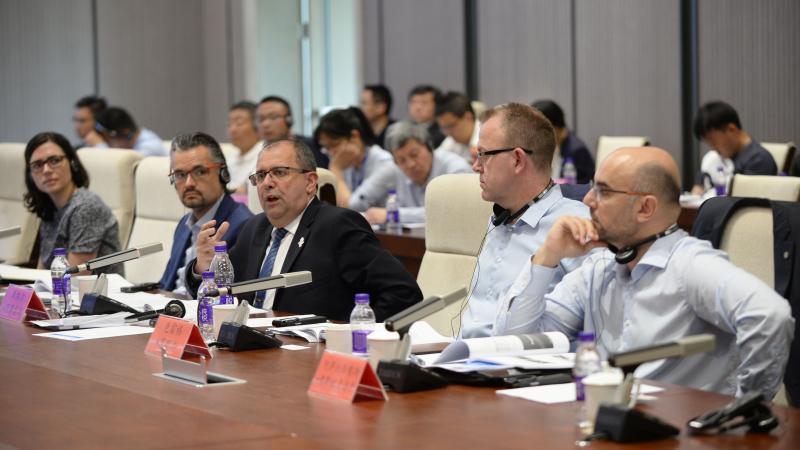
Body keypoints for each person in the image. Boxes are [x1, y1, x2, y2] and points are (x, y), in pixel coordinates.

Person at [496, 146, 793, 398]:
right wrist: (547, 257)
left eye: (603, 191)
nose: (587, 201)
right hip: (607, 424)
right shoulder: (600, 267)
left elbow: (770, 317)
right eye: (591, 188)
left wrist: (745, 408)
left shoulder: (691, 266)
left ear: (645, 208)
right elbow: (520, 343)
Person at [184, 139, 422, 321]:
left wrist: (349, 333)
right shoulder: (254, 228)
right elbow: (215, 294)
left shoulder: (338, 226)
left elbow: (404, 294)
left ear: (310, 182)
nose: (267, 183)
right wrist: (202, 269)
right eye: (260, 176)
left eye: (279, 172)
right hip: (250, 351)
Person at [459, 103, 589, 338]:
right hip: (459, 359)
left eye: (483, 155)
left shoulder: (575, 227)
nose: (476, 166)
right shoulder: (501, 217)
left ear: (518, 160)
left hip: (515, 367)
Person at [159, 132, 253, 293]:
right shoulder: (184, 224)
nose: (189, 183)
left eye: (200, 172)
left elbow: (226, 297)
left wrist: (199, 273)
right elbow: (165, 285)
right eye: (180, 175)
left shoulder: (243, 225)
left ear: (223, 173)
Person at [23, 132, 121, 273]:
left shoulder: (86, 207)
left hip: (95, 293)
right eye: (37, 165)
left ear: (72, 162)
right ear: (30, 175)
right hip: (59, 291)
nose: (46, 170)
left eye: (55, 160)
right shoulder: (49, 207)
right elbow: (42, 271)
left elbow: (76, 277)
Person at [350, 121, 472, 225]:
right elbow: (355, 203)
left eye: (414, 154)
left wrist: (393, 215)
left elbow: (450, 213)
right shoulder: (393, 169)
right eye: (402, 160)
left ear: (429, 147)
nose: (410, 164)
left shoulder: (456, 169)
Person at [691, 101, 777, 195]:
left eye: (713, 142)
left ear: (731, 129)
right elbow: (698, 188)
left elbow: (744, 201)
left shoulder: (759, 160)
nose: (713, 149)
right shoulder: (716, 159)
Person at [315, 107, 393, 209]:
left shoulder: (384, 163)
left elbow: (351, 208)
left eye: (334, 145)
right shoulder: (346, 163)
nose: (331, 153)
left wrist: (336, 170)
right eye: (326, 148)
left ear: (354, 136)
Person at [532, 99, 594, 184]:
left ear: (554, 126)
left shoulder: (577, 150)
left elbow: (585, 185)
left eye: (538, 128)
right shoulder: (539, 146)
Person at [256, 95, 328, 168]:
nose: (265, 124)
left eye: (274, 117)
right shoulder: (258, 151)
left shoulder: (311, 147)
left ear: (289, 120)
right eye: (261, 119)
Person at [95, 106, 166, 156]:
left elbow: (119, 167)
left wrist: (101, 146)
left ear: (124, 133)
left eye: (107, 140)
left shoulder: (149, 147)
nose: (108, 145)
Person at [226, 101, 263, 193]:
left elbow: (248, 191)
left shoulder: (265, 155)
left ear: (257, 126)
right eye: (229, 124)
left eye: (239, 123)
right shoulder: (231, 155)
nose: (232, 129)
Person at [435, 92, 480, 163]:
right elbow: (436, 160)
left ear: (468, 117)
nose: (447, 133)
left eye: (451, 126)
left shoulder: (487, 137)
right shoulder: (451, 141)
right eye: (443, 128)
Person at [360, 84, 396, 149]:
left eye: (364, 103)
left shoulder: (397, 133)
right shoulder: (361, 132)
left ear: (381, 107)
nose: (361, 108)